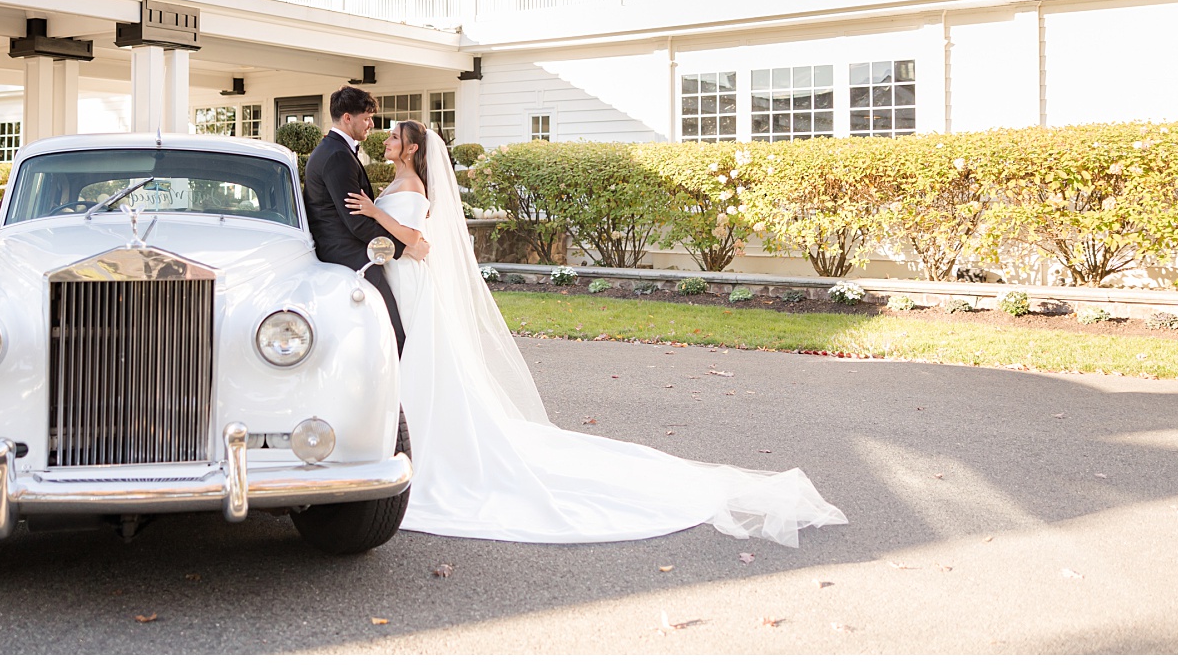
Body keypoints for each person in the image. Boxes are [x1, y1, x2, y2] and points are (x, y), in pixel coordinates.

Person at [345, 119, 848, 546]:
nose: (386, 142)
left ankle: (426, 455)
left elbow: (420, 245)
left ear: (411, 148)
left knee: (424, 368)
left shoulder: (411, 188)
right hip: (399, 283)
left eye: (393, 138)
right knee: (420, 368)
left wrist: (373, 214)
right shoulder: (399, 184)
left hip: (412, 283)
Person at [303, 87, 428, 355]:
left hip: (355, 250)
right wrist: (406, 248)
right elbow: (356, 222)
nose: (372, 124)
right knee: (393, 332)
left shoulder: (336, 150)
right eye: (367, 117)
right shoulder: (337, 156)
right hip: (351, 256)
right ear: (347, 118)